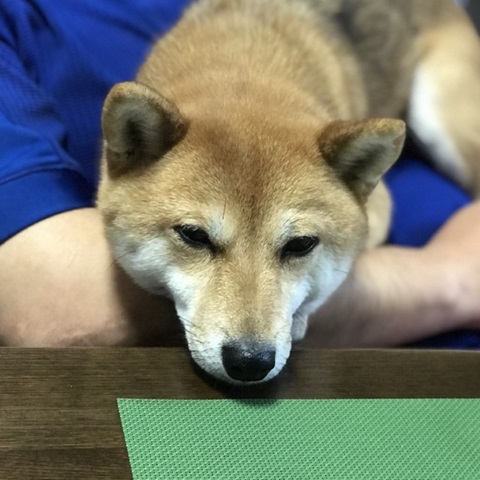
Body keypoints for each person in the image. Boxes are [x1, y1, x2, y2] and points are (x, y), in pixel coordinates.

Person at [0, 0, 479, 348]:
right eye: (195, 235)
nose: (254, 331)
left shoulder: (329, 145)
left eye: (298, 245)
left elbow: (370, 204)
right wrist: (450, 280)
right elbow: (56, 313)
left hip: (425, 38)